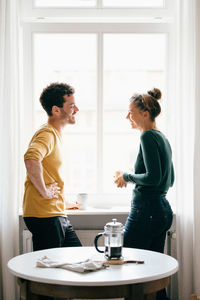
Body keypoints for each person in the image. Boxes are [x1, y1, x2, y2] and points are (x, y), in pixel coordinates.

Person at [114, 88, 174, 300]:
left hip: (146, 210)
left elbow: (153, 178)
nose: (127, 116)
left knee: (129, 266)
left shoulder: (147, 136)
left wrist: (127, 176)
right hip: (162, 209)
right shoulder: (161, 137)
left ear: (145, 113)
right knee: (153, 272)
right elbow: (169, 179)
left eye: (131, 112)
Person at [23, 82, 82, 251]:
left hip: (54, 213)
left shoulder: (55, 135)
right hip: (45, 216)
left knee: (78, 258)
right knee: (48, 273)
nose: (76, 109)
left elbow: (50, 173)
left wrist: (62, 202)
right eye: (71, 106)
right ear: (56, 110)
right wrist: (45, 192)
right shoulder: (47, 134)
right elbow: (31, 159)